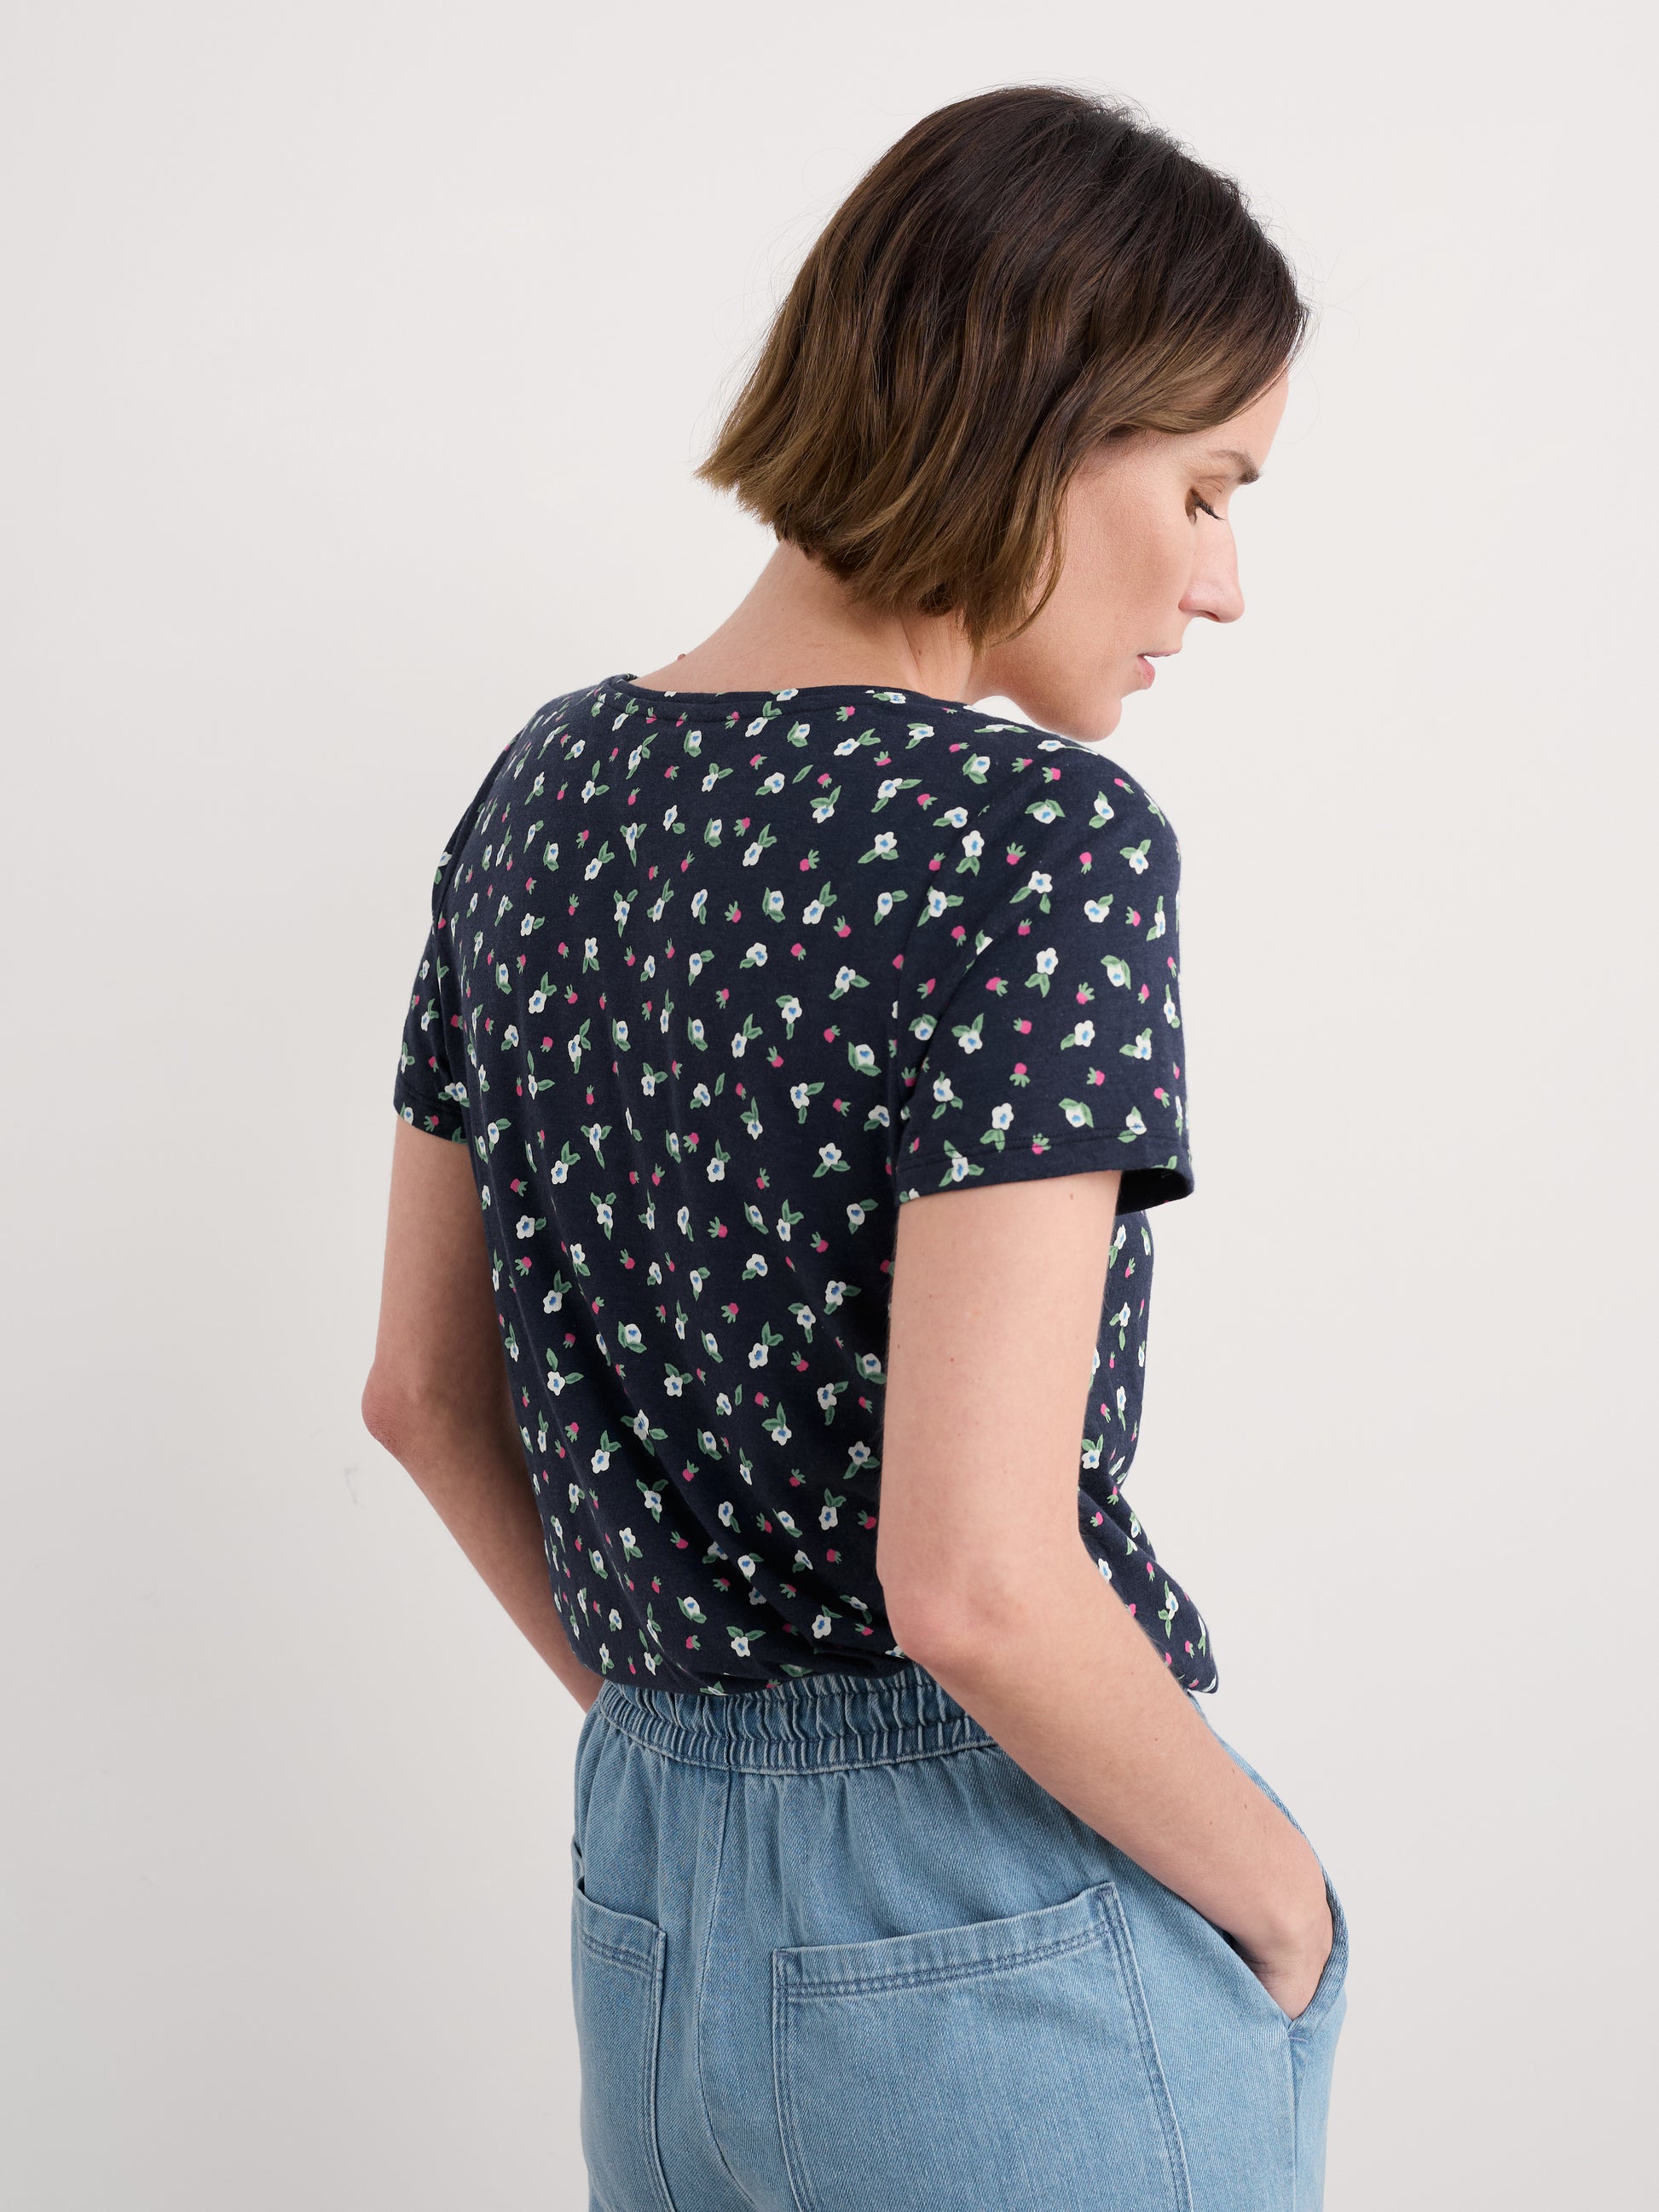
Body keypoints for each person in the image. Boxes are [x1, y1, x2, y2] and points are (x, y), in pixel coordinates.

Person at [363, 81, 1350, 2212]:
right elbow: (976, 1580)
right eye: (1203, 487)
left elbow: (421, 1393)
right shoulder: (1033, 836)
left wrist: (707, 1748)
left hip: (651, 1901)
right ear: (1039, 414)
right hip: (1000, 1907)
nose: (1223, 581)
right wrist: (1283, 1898)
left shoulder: (541, 794)